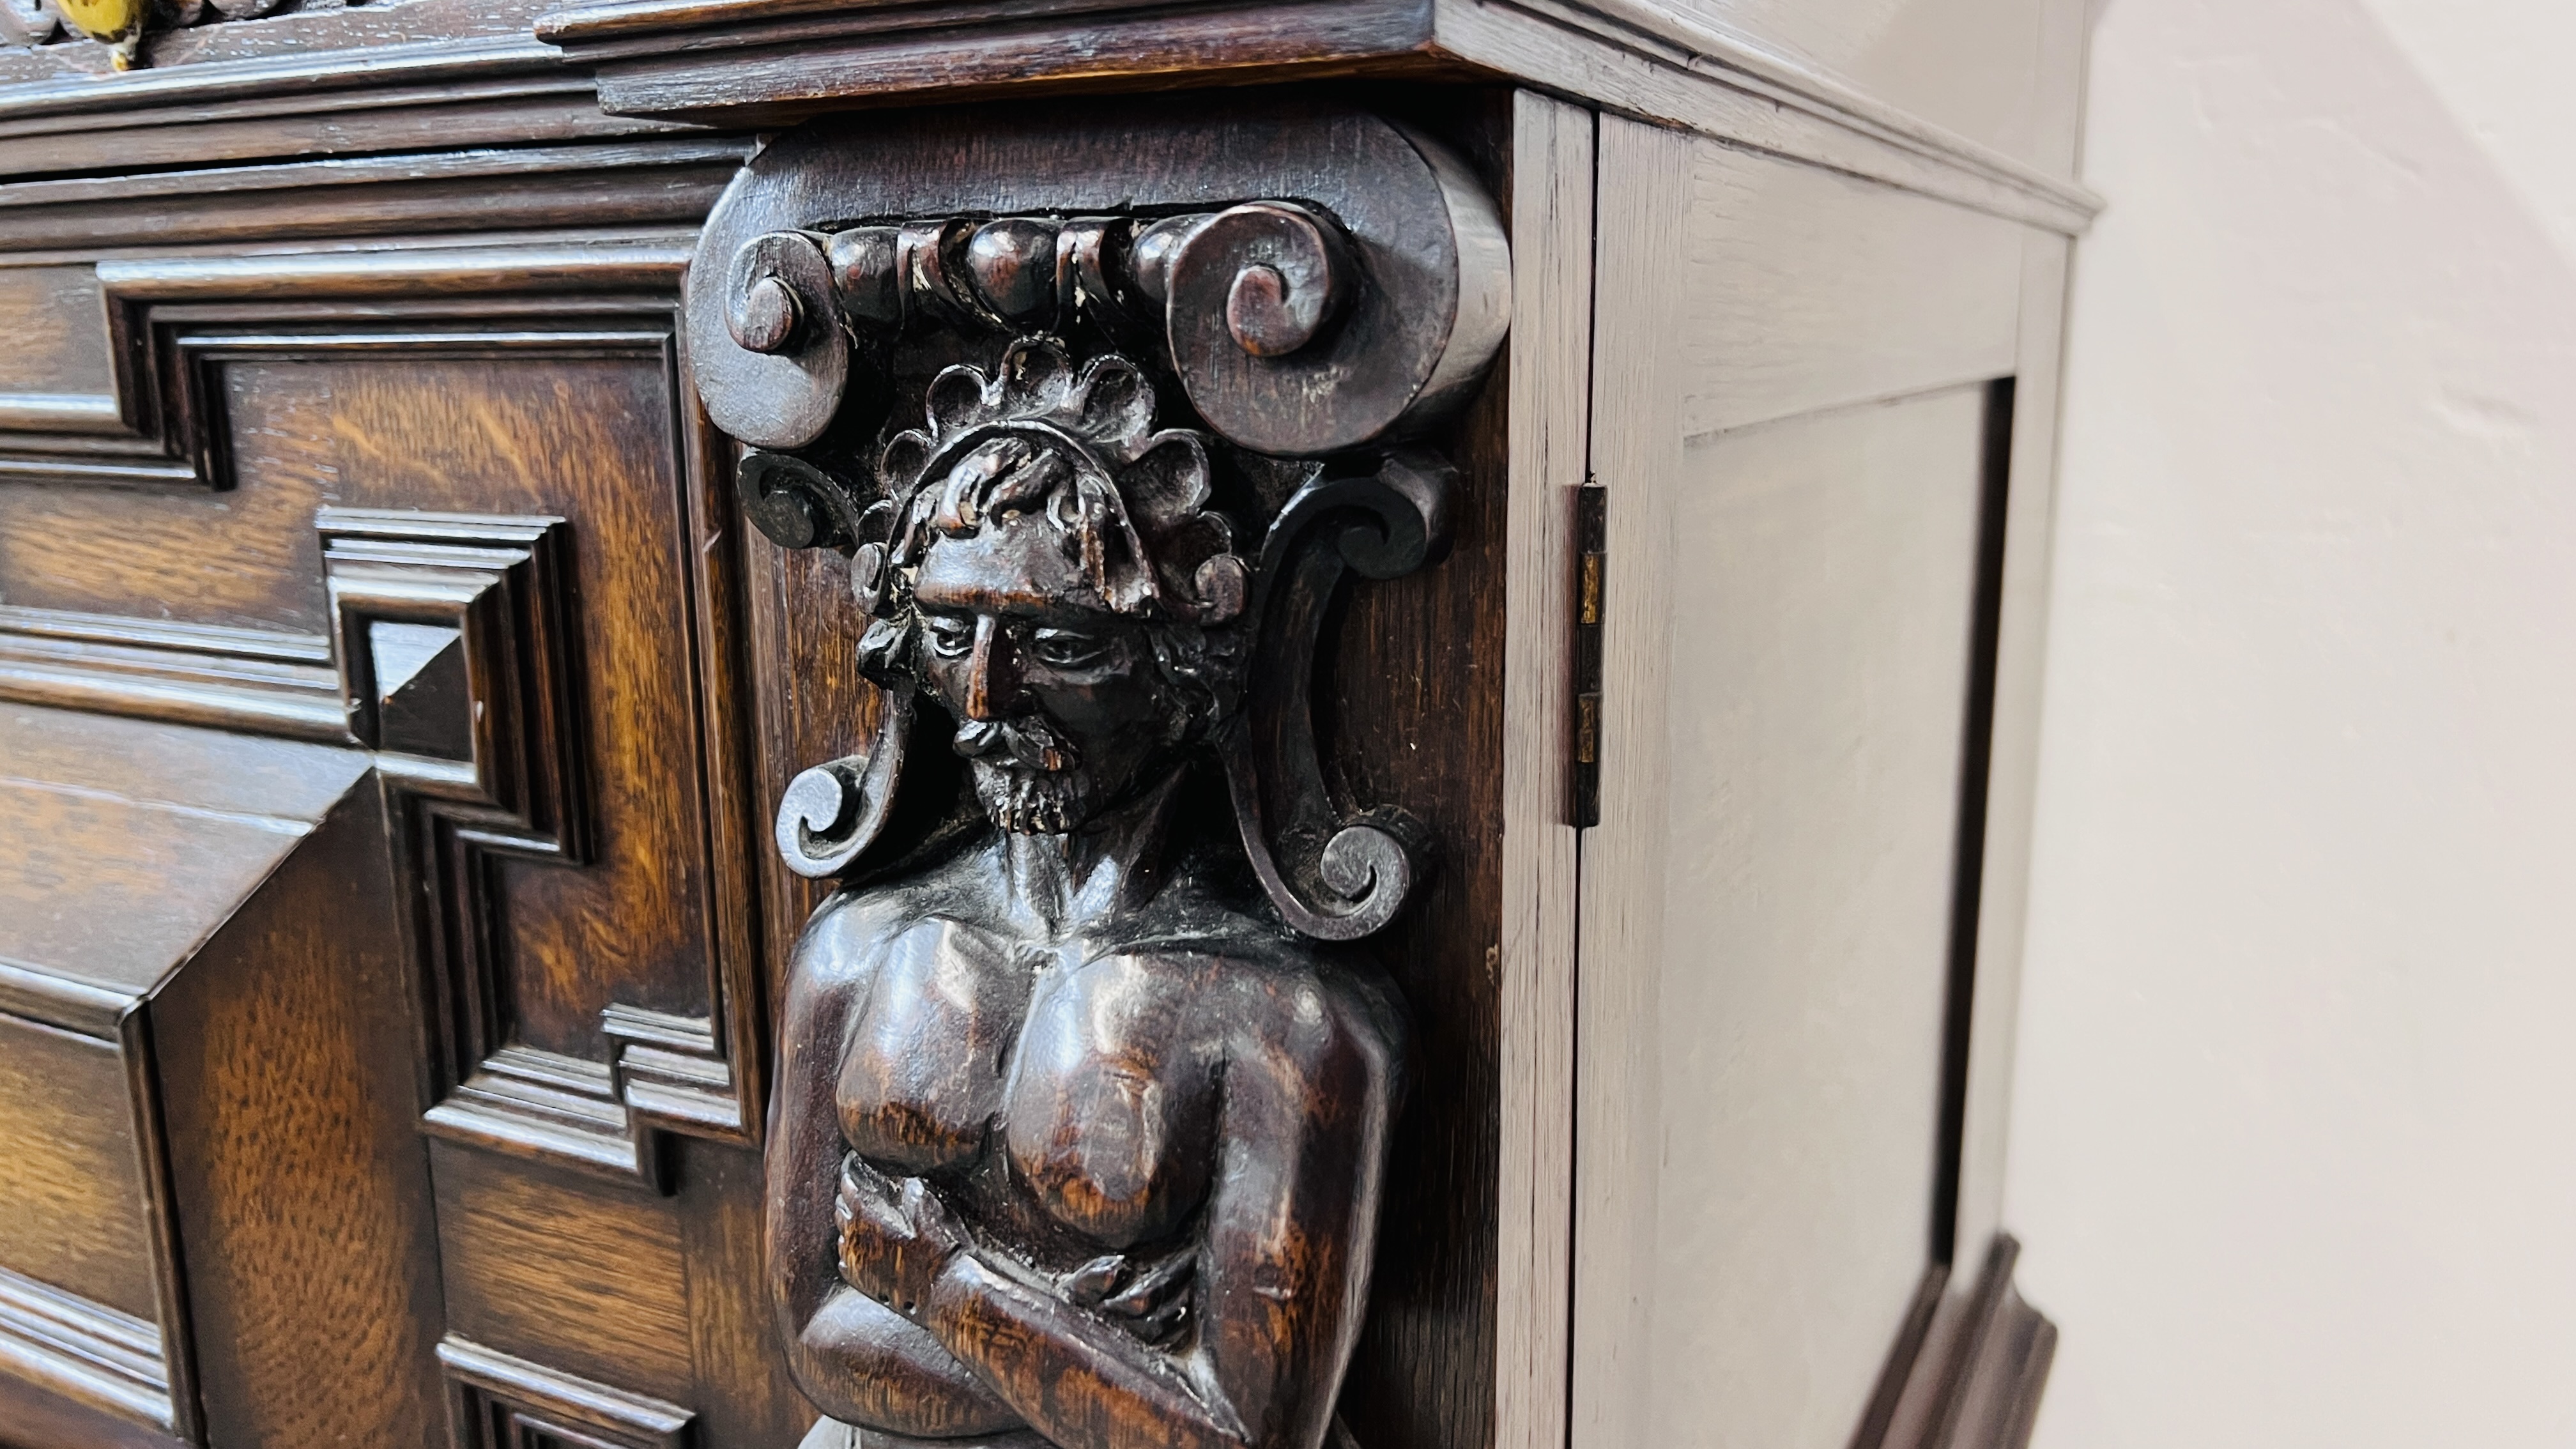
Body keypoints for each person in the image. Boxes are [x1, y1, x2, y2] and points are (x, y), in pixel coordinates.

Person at [767, 339, 1404, 1449]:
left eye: (1060, 643)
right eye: (952, 632)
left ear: (1181, 664)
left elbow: (1244, 1435)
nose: (982, 699)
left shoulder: (1281, 1026)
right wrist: (1095, 1358)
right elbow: (818, 1338)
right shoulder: (857, 954)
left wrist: (944, 1283)